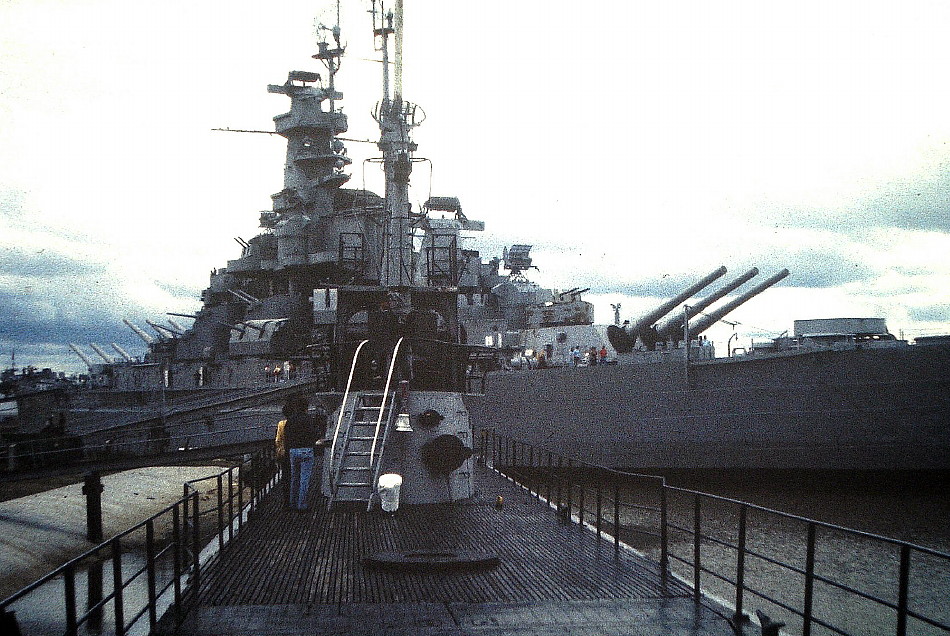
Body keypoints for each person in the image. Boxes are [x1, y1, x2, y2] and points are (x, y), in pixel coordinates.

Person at [278, 395, 322, 511]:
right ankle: (302, 505)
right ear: (306, 408)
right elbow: (315, 433)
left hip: (293, 451)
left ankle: (292, 504)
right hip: (306, 450)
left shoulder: (290, 421)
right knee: (304, 479)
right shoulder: (309, 419)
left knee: (294, 478)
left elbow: (286, 437)